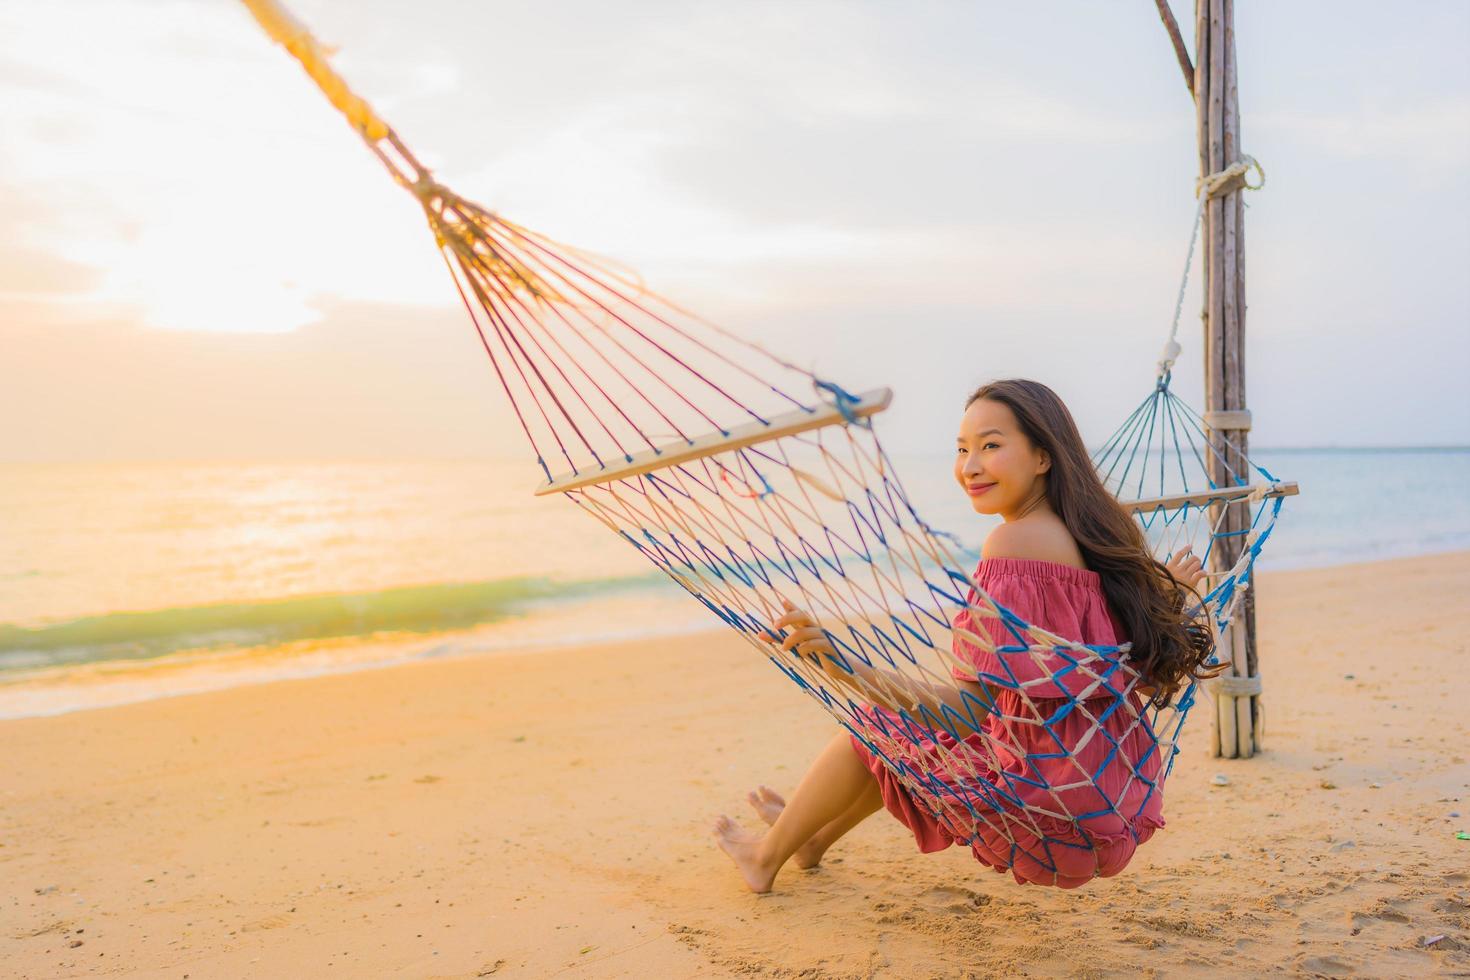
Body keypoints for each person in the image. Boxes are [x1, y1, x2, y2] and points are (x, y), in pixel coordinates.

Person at [711, 378, 1213, 893]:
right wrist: (1171, 603)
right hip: (1109, 796)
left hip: (1047, 807)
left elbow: (967, 713)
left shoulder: (1013, 544)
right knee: (903, 740)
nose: (969, 466)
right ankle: (810, 838)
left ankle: (765, 856)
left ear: (1043, 456)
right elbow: (1131, 673)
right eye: (962, 449)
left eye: (991, 446)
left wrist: (846, 666)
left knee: (878, 723)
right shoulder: (1095, 536)